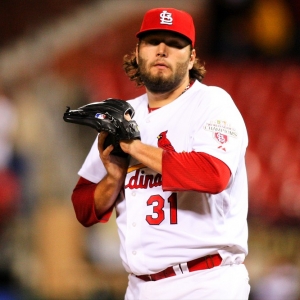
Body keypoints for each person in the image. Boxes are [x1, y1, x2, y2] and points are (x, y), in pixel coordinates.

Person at [71, 7, 250, 300]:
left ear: (192, 57)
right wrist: (114, 179)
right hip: (139, 287)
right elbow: (83, 207)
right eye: (153, 41)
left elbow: (213, 175)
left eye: (175, 43)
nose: (163, 50)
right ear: (138, 51)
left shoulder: (212, 103)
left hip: (205, 282)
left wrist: (134, 147)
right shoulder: (126, 114)